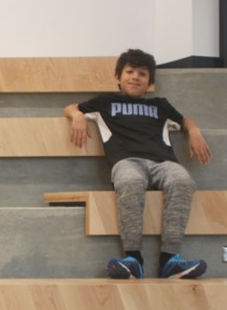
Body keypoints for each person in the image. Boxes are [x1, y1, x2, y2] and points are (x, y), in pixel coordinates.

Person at [63, 48, 212, 279]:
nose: (135, 77)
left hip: (163, 162)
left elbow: (185, 120)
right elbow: (71, 107)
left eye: (142, 74)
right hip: (126, 161)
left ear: (149, 82)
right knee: (130, 181)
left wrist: (194, 130)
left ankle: (169, 261)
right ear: (118, 77)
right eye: (129, 71)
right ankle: (134, 259)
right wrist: (78, 116)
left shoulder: (160, 105)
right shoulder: (105, 102)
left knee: (182, 180)